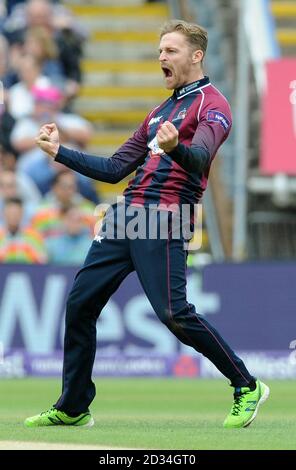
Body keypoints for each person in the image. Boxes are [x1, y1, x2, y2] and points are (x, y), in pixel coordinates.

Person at [24, 20, 269, 429]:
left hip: (167, 217)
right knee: (80, 304)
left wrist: (176, 149)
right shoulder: (160, 112)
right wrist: (59, 152)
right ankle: (73, 406)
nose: (161, 57)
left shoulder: (213, 105)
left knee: (174, 313)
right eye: (159, 50)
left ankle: (247, 384)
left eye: (170, 50)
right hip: (125, 216)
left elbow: (201, 159)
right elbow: (116, 167)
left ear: (196, 56)